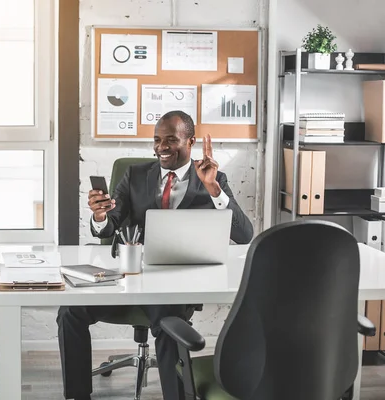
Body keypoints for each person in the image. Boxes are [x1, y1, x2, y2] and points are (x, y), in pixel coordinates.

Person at [56, 110, 253, 400]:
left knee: (168, 323)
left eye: (171, 139)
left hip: (177, 283)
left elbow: (245, 235)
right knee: (70, 311)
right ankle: (77, 395)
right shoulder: (135, 174)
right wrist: (100, 215)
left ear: (191, 141)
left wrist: (213, 189)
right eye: (157, 139)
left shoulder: (212, 179)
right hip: (129, 280)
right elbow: (110, 224)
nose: (161, 147)